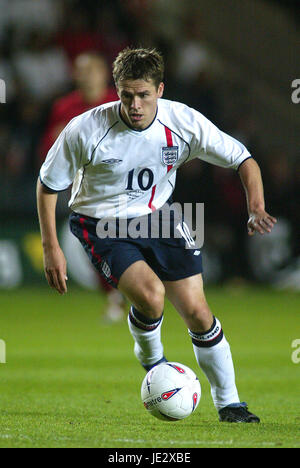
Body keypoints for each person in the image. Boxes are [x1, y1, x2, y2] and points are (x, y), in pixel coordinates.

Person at [37, 47, 277, 423]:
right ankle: (153, 361)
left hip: (161, 217)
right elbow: (47, 185)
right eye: (127, 95)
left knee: (199, 313)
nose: (135, 105)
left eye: (144, 95)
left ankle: (231, 405)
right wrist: (51, 247)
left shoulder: (183, 121)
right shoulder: (85, 129)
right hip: (101, 222)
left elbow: (243, 159)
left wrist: (256, 207)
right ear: (116, 90)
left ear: (160, 90)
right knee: (151, 297)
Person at [38, 51, 126, 322]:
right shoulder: (64, 107)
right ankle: (115, 297)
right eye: (81, 71)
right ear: (75, 75)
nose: (87, 76)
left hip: (124, 184)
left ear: (104, 73)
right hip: (85, 188)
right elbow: (48, 150)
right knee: (95, 245)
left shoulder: (118, 101)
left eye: (92, 70)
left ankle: (134, 293)